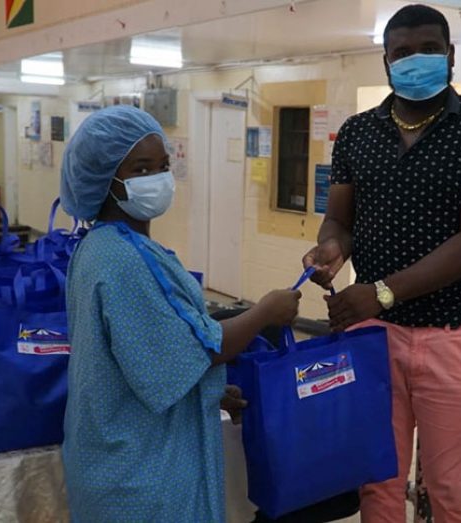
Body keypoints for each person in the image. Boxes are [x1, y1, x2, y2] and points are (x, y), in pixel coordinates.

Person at [302, 5, 461, 522]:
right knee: (377, 484)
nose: (414, 59)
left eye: (427, 49)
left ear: (449, 54)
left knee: (449, 492)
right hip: (374, 337)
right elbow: (340, 221)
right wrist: (331, 248)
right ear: (386, 62)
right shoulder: (357, 132)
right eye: (402, 52)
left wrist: (380, 291)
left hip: (454, 334)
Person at [59, 105, 301, 522]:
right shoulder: (122, 260)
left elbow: (144, 356)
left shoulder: (104, 246)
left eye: (163, 165)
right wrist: (265, 311)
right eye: (141, 168)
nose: (158, 178)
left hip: (122, 450)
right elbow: (199, 348)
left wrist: (203, 394)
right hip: (140, 475)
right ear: (105, 177)